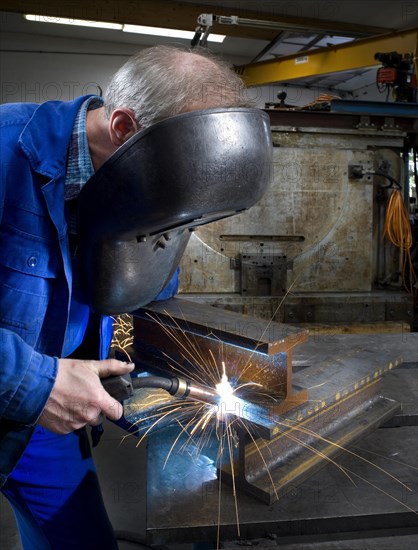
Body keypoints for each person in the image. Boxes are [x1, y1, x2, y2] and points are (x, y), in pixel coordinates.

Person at [0, 45, 248, 549]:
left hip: (47, 418)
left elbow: (141, 295)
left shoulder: (146, 184)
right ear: (122, 128)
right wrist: (33, 383)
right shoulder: (5, 152)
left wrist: (156, 368)